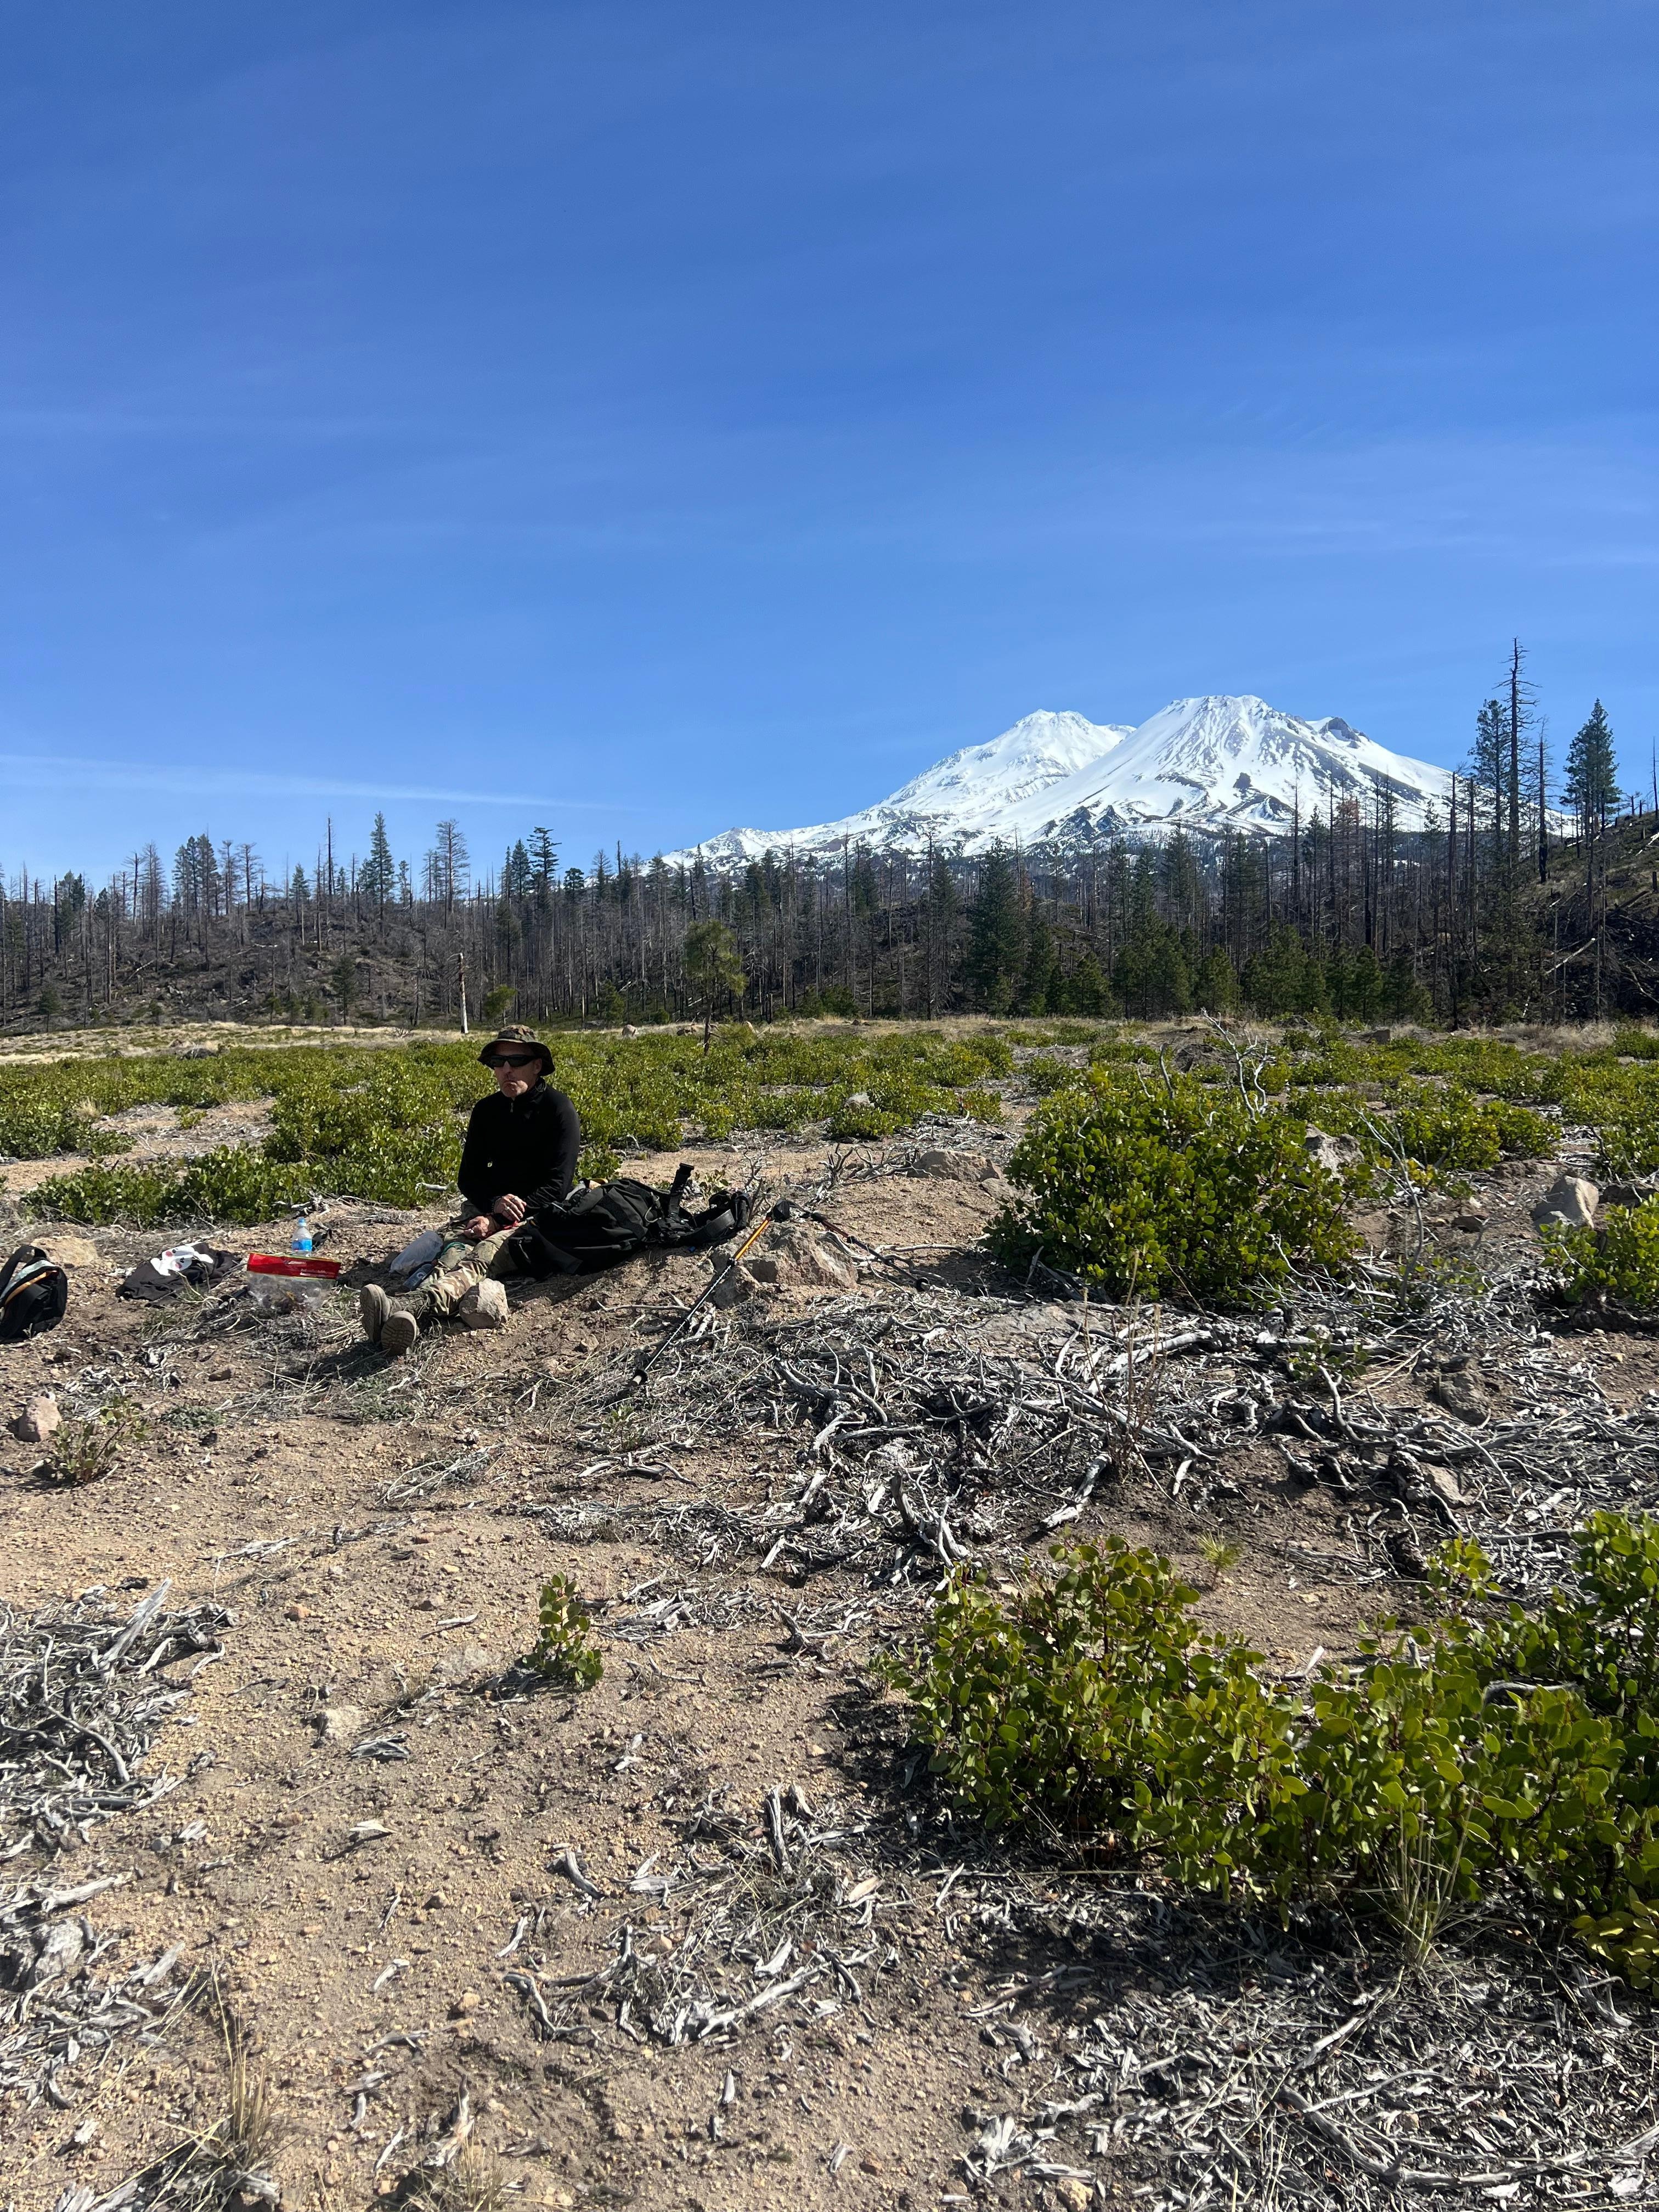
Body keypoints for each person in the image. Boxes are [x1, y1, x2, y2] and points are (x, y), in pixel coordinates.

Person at [359, 1025, 582, 1356]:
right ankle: (405, 1312)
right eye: (498, 1062)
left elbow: (558, 1185)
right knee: (455, 1249)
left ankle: (410, 1309)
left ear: (537, 1065)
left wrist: (498, 1218)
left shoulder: (558, 1109)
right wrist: (492, 1204)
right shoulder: (486, 1111)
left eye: (517, 1060)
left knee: (483, 1255)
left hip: (537, 1215)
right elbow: (469, 1177)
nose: (507, 1069)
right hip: (488, 1208)